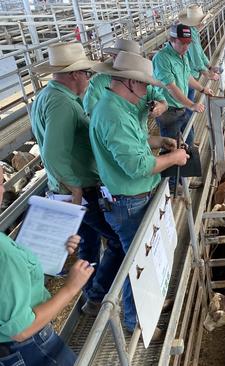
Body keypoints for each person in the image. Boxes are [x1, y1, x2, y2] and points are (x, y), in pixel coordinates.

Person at [89, 51, 189, 339]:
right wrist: (175, 158)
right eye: (144, 84)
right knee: (136, 263)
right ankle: (135, 323)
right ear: (128, 82)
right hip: (129, 201)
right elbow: (137, 166)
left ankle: (152, 305)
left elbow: (137, 142)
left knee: (146, 258)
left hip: (134, 198)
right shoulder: (113, 114)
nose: (147, 90)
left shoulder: (118, 106)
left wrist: (159, 140)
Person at [30, 42, 122, 315]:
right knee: (116, 241)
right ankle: (97, 296)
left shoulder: (48, 96)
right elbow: (53, 153)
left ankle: (92, 294)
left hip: (70, 187)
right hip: (79, 188)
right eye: (85, 72)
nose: (88, 77)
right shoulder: (61, 103)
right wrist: (76, 190)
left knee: (89, 245)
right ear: (73, 74)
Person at [0, 172, 93, 365]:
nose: (2, 189)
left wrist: (55, 246)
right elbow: (21, 330)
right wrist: (71, 288)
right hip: (29, 348)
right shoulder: (4, 254)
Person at [153, 23, 215, 149]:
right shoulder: (162, 58)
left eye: (188, 43)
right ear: (172, 40)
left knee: (189, 140)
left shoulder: (183, 54)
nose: (186, 47)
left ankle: (189, 153)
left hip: (181, 107)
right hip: (168, 112)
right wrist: (191, 105)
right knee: (172, 147)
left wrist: (202, 89)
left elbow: (187, 77)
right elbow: (171, 88)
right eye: (182, 43)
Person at [83, 39, 168, 125]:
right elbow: (91, 113)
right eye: (116, 56)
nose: (116, 59)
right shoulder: (99, 81)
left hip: (138, 133)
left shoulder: (140, 82)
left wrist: (161, 106)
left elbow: (160, 98)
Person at [179, 5, 220, 124]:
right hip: (188, 75)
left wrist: (210, 66)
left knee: (187, 104)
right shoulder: (190, 36)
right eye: (202, 21)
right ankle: (185, 135)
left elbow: (200, 53)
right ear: (197, 23)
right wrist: (208, 74)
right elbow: (196, 58)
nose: (204, 23)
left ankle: (185, 135)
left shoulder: (193, 32)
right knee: (186, 107)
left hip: (189, 74)